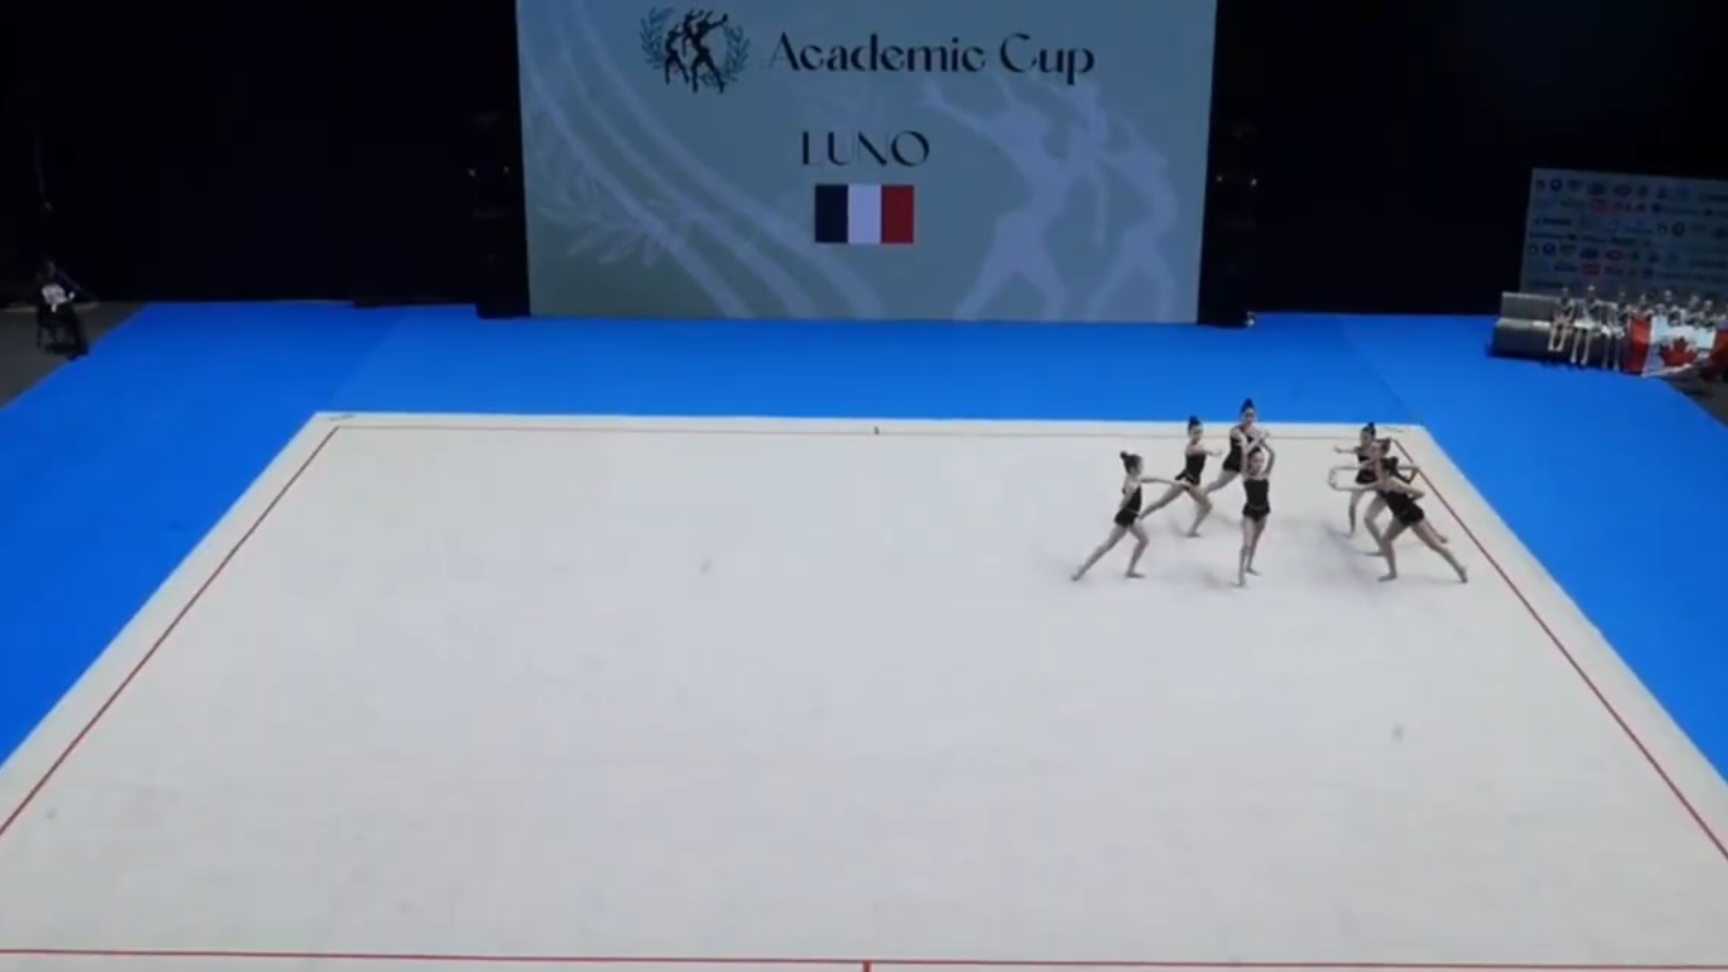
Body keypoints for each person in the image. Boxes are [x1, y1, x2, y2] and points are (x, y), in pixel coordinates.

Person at [1071, 452, 1177, 581]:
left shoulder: (1134, 478)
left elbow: (1149, 479)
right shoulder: (1132, 484)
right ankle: (1082, 569)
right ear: (1133, 469)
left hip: (1132, 517)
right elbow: (1125, 500)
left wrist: (1169, 482)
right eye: (1140, 466)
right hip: (1127, 518)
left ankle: (1130, 570)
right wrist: (1124, 503)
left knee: (1144, 540)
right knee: (1108, 545)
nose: (1142, 468)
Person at [1135, 416, 1216, 536]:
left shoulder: (1199, 446)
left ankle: (1192, 530)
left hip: (1191, 481)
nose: (1198, 435)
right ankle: (1138, 518)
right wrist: (1212, 452)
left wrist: (1209, 450)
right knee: (1161, 503)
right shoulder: (1190, 448)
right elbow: (1200, 451)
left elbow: (1202, 450)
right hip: (1186, 482)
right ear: (1189, 433)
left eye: (1200, 432)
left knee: (1207, 506)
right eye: (1195, 433)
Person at [1202, 399, 1264, 498]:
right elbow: (1245, 446)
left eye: (1252, 416)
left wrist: (1257, 461)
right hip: (1233, 464)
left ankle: (1256, 505)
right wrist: (1258, 439)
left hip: (1248, 464)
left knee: (1254, 486)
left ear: (1255, 416)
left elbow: (1257, 450)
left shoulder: (1257, 432)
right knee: (1219, 484)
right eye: (1247, 415)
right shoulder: (1235, 431)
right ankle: (1202, 493)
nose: (1249, 418)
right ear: (1242, 416)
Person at [1235, 443, 1274, 587]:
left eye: (1261, 461)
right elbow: (1245, 453)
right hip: (1250, 513)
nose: (1259, 464)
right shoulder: (1246, 476)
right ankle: (1240, 575)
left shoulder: (1265, 474)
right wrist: (1256, 441)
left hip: (1263, 513)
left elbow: (1273, 455)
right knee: (1247, 544)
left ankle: (1249, 566)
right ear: (1250, 462)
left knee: (1255, 541)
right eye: (1256, 461)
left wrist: (1263, 443)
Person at [1330, 422, 1379, 535]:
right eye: (1361, 437)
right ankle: (1352, 529)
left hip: (1377, 480)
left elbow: (1376, 460)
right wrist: (1340, 450)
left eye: (1365, 438)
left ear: (1372, 439)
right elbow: (1349, 450)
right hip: (1361, 480)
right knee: (1352, 505)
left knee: (1390, 499)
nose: (1362, 440)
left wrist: (1364, 464)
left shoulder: (1377, 449)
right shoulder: (1359, 449)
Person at [1547, 286, 1576, 360]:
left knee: (1565, 326)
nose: (1564, 294)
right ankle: (1551, 344)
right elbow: (1554, 314)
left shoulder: (1572, 303)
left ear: (1568, 294)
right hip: (1558, 319)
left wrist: (1565, 320)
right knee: (1554, 324)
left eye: (1566, 293)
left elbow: (1571, 316)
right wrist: (1557, 319)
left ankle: (1561, 345)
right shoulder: (1557, 301)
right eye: (1563, 293)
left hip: (1567, 321)